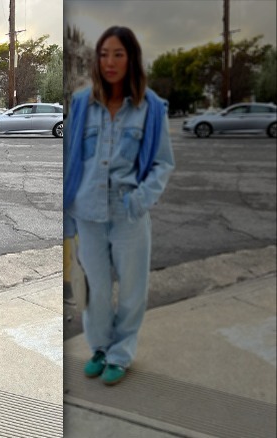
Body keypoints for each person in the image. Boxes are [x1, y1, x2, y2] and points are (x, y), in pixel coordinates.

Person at [64, 26, 175, 386]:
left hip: (128, 212)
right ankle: (100, 346)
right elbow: (70, 158)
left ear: (131, 59)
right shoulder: (82, 104)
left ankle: (121, 352)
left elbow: (162, 162)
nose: (110, 62)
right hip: (87, 211)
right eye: (103, 54)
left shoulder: (151, 107)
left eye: (118, 54)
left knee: (131, 287)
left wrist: (139, 199)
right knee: (95, 286)